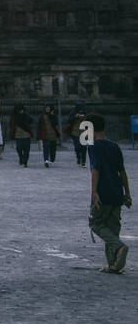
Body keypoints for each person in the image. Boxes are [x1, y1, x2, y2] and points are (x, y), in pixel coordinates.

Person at [85, 116, 131, 274]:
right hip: (117, 191)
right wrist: (128, 193)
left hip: (103, 191)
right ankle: (114, 264)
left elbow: (96, 170)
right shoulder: (114, 145)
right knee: (112, 227)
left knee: (96, 223)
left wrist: (94, 192)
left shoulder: (93, 146)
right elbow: (122, 171)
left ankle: (119, 247)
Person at [66, 103, 89, 167]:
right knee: (77, 147)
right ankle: (79, 157)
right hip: (75, 132)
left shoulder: (86, 114)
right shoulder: (73, 113)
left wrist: (84, 117)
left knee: (84, 148)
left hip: (84, 132)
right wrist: (75, 117)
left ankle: (83, 161)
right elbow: (69, 121)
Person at [38, 103, 60, 167]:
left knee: (53, 148)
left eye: (49, 107)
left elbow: (55, 124)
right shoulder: (42, 116)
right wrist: (39, 135)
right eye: (46, 107)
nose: (47, 109)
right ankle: (46, 160)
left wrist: (52, 116)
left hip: (53, 134)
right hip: (45, 134)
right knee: (46, 148)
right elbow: (39, 126)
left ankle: (51, 159)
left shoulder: (54, 115)